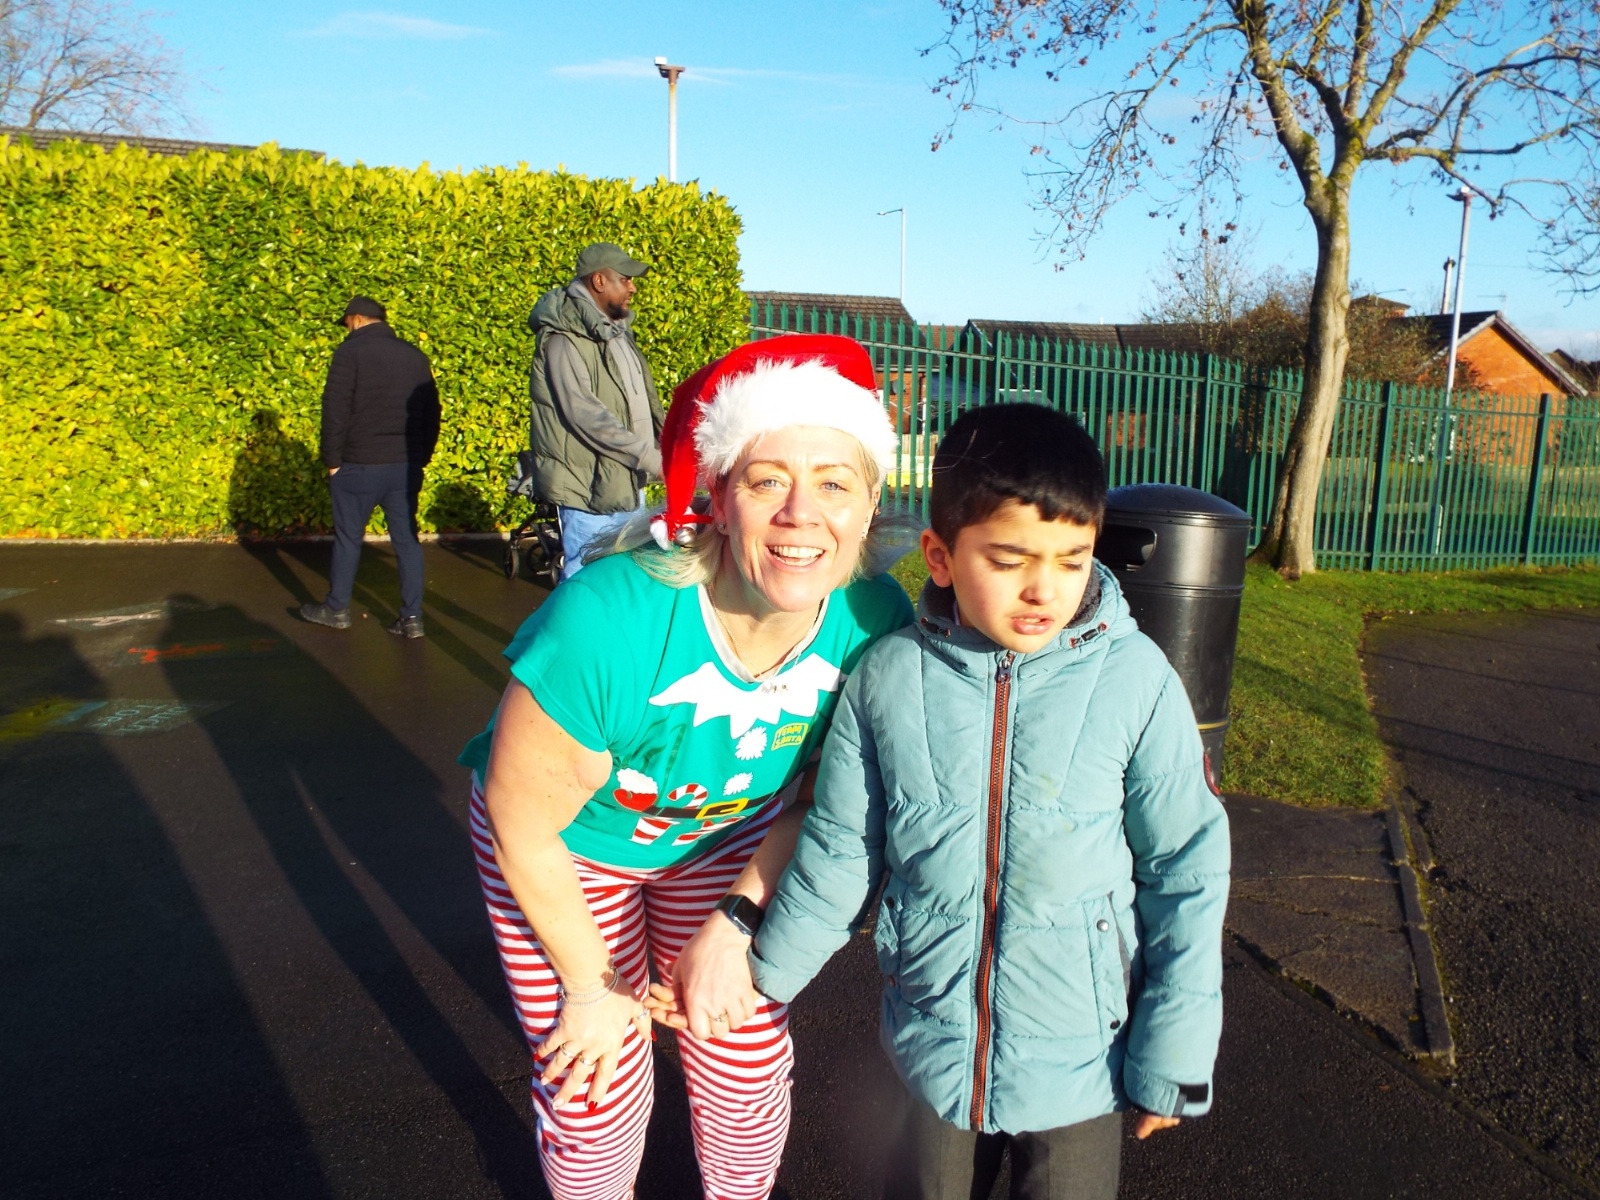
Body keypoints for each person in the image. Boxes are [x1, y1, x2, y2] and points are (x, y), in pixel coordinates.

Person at [459, 334, 916, 1200]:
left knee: (740, 1049)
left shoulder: (874, 622)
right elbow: (523, 823)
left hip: (727, 838)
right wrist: (592, 990)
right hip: (570, 845)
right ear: (719, 497)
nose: (801, 514)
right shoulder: (611, 620)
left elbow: (825, 797)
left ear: (868, 509)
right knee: (600, 1077)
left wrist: (735, 924)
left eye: (834, 484)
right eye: (767, 480)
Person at [740, 403, 1232, 1200]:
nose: (1044, 589)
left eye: (1072, 561)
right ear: (940, 556)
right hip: (931, 1050)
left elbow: (1187, 869)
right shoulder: (888, 679)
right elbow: (841, 849)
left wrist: (1172, 1054)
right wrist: (760, 976)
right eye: (1009, 559)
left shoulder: (1136, 680)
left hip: (1082, 1060)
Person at [300, 295, 440, 638]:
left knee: (349, 538)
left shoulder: (350, 353)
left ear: (358, 319)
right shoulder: (415, 356)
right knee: (406, 539)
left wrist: (332, 462)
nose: (346, 329)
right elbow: (431, 412)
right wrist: (420, 457)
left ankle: (336, 609)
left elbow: (335, 409)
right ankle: (412, 618)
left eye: (347, 323)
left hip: (358, 464)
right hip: (404, 465)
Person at [528, 242, 664, 580]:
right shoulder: (564, 339)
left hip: (628, 480)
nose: (632, 287)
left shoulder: (618, 334)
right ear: (599, 281)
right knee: (586, 579)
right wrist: (649, 457)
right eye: (625, 279)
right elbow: (585, 415)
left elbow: (643, 404)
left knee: (623, 576)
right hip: (589, 489)